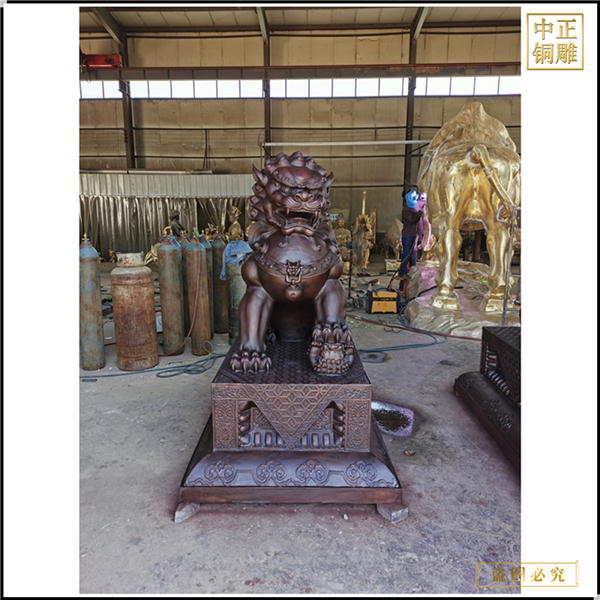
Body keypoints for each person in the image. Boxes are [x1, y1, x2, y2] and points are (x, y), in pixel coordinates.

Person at [399, 189, 427, 277]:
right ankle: (403, 272)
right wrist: (420, 211)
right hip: (407, 235)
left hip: (413, 234)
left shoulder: (412, 207)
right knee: (406, 254)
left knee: (412, 255)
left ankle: (411, 271)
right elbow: (412, 219)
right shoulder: (406, 209)